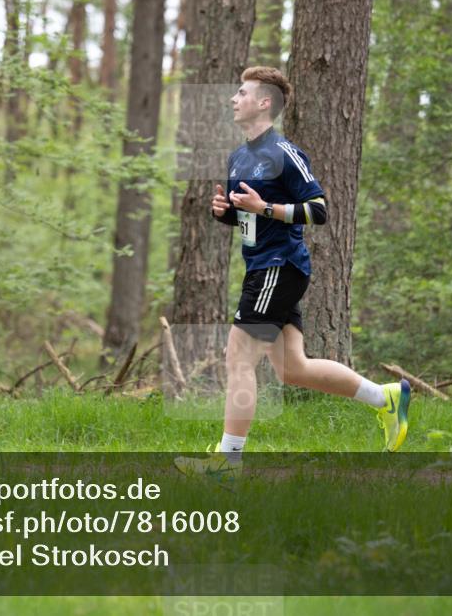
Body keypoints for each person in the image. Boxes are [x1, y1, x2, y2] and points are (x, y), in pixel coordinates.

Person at [175, 67, 411, 484]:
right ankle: (385, 397)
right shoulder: (239, 155)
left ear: (264, 102)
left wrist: (263, 207)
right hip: (263, 268)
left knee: (238, 359)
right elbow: (249, 216)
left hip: (278, 268)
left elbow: (317, 209)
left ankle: (226, 466)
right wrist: (226, 213)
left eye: (242, 93)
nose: (233, 99)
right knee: (291, 369)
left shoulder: (284, 152)